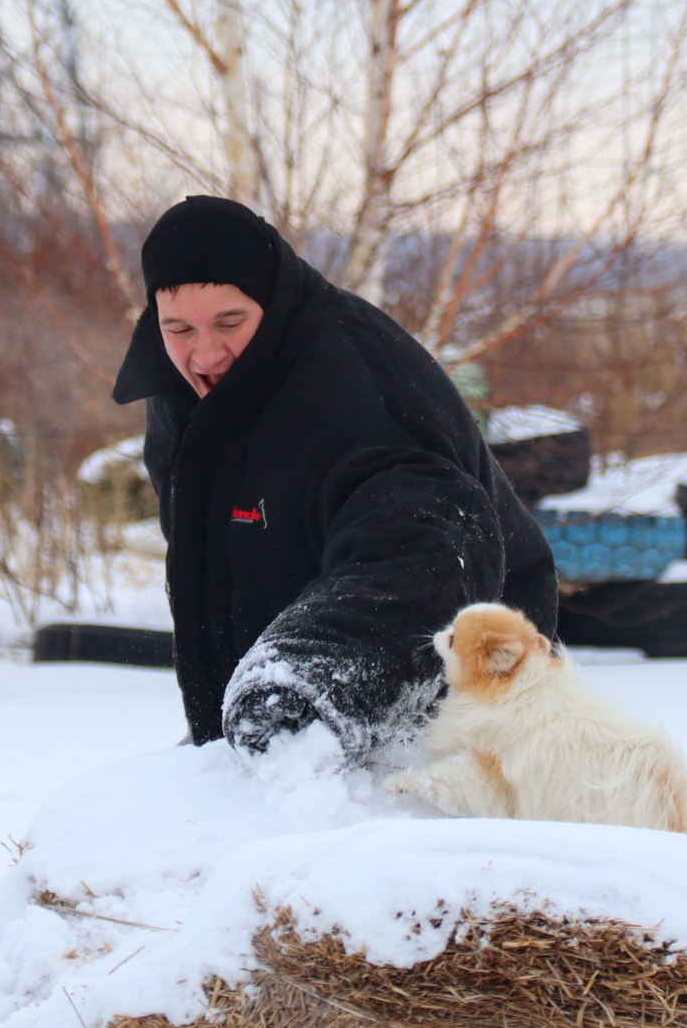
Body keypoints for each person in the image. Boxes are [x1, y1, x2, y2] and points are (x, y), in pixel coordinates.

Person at [112, 195, 557, 757]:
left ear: (271, 303)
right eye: (178, 329)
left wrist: (302, 682)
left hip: (456, 714)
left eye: (230, 322)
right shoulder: (186, 400)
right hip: (279, 706)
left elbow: (427, 552)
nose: (205, 354)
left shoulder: (356, 398)